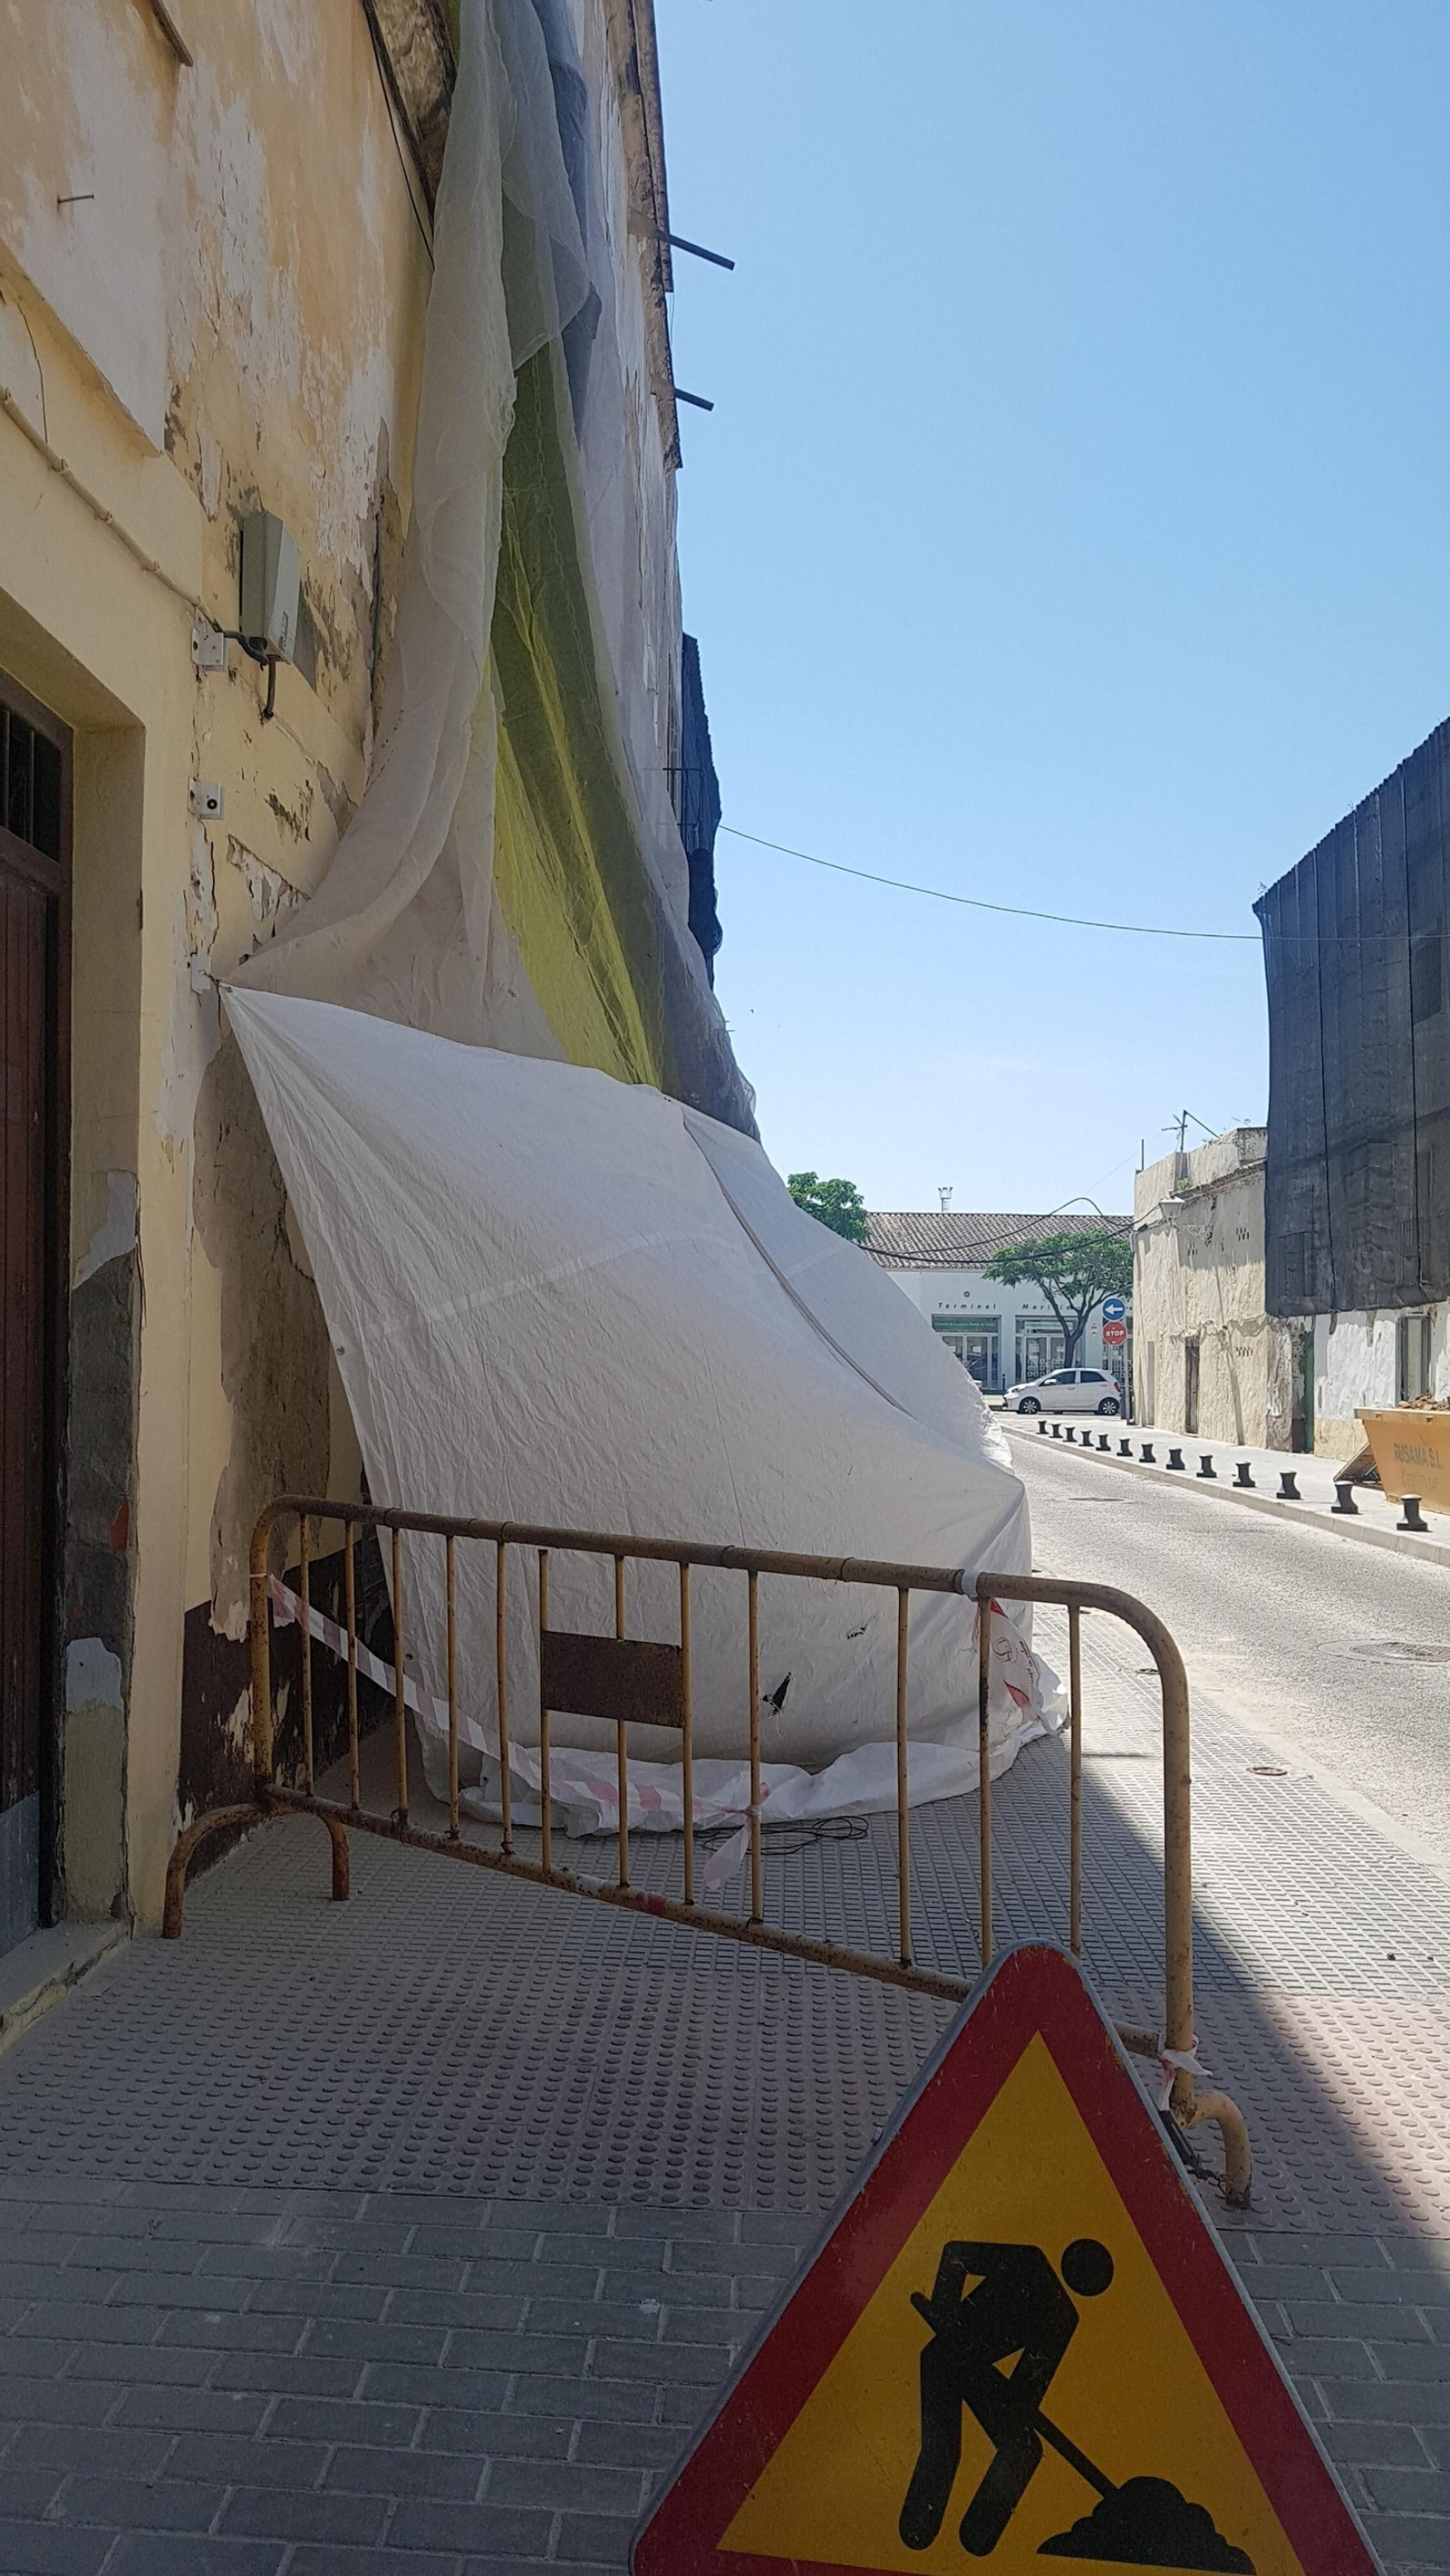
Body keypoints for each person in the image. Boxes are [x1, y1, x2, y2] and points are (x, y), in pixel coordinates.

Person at [899, 2236, 1115, 2555]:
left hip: (977, 2371)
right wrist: (946, 2310)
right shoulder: (1029, 2262)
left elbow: (1026, 2389)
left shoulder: (1063, 2317)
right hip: (943, 2356)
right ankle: (917, 2529)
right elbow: (957, 2253)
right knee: (943, 2446)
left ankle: (977, 2536)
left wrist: (1014, 2402)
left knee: (1023, 2446)